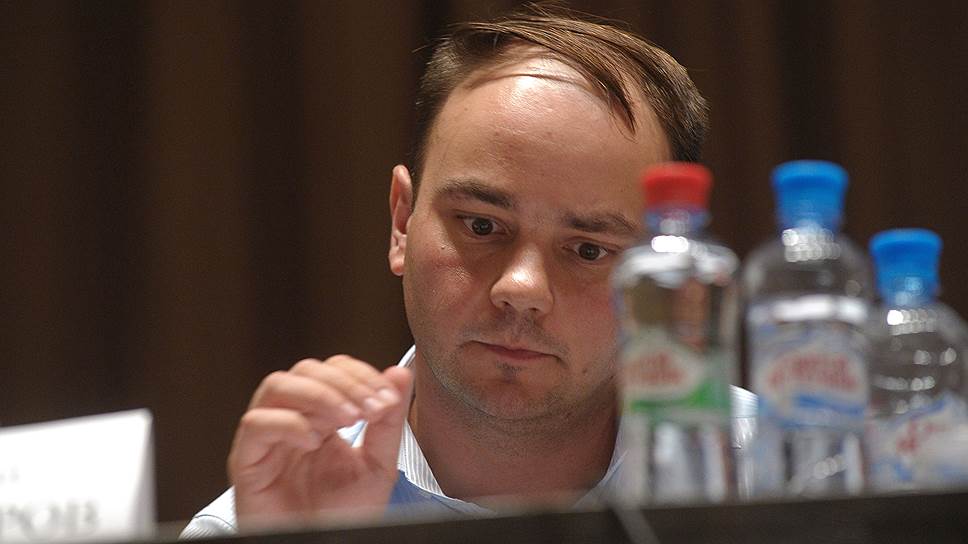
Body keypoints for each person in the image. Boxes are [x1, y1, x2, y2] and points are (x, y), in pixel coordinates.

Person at [182, 4, 713, 537]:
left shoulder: (759, 470)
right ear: (402, 222)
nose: (522, 288)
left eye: (590, 250)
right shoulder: (261, 527)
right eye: (481, 226)